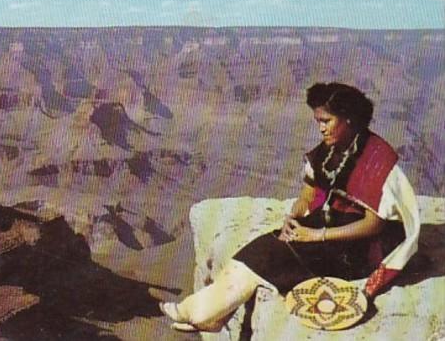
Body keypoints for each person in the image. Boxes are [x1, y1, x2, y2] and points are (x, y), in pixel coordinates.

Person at [160, 82, 420, 332]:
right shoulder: (329, 151)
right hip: (328, 226)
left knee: (269, 257)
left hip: (359, 248)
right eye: (318, 121)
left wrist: (316, 235)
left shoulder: (378, 158)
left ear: (348, 118)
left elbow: (374, 224)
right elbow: (307, 196)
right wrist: (294, 215)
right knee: (262, 248)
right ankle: (209, 313)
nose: (321, 128)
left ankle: (201, 313)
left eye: (326, 121)